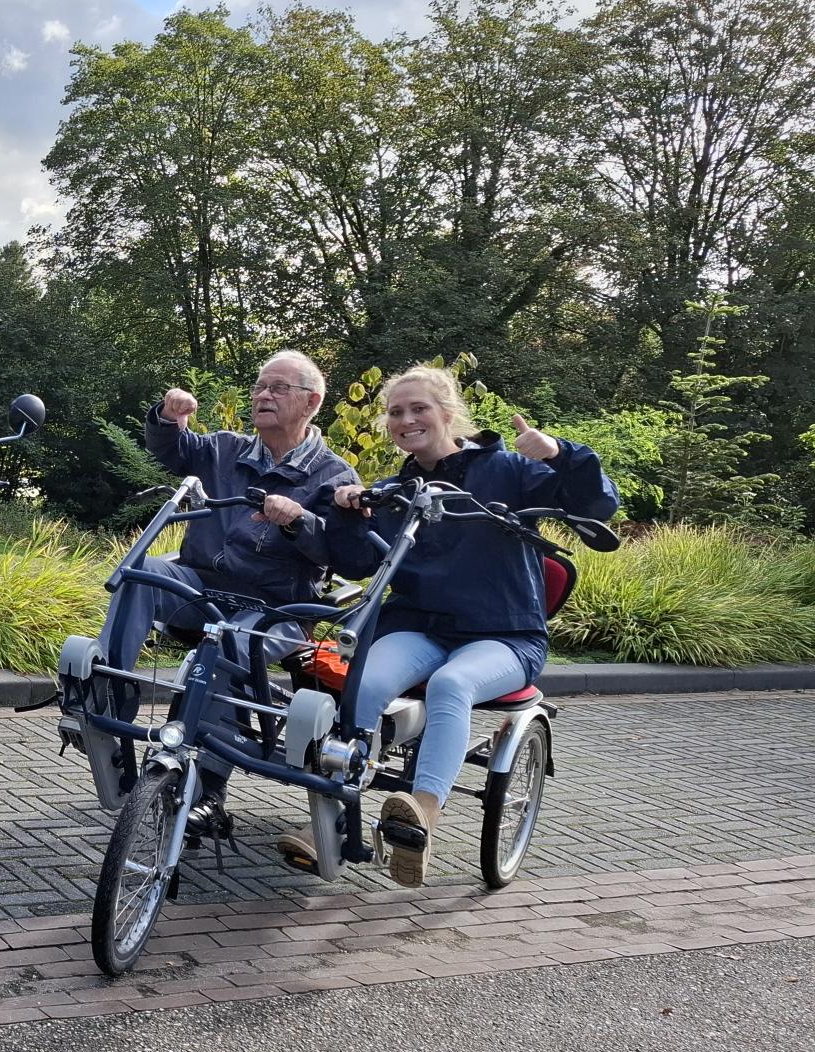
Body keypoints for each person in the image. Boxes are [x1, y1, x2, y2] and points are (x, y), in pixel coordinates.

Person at [309, 365, 619, 885]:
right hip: (424, 627)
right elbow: (360, 564)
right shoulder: (393, 491)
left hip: (505, 634)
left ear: (448, 413)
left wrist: (561, 455)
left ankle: (423, 813)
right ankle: (335, 820)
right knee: (365, 679)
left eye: (418, 408)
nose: (406, 419)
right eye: (395, 412)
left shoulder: (507, 471)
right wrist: (345, 514)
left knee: (453, 684)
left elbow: (596, 504)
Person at [103, 352, 358, 821]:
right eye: (260, 386)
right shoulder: (223, 447)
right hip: (203, 586)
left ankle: (208, 791)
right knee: (142, 572)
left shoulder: (335, 475)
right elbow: (172, 448)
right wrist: (167, 415)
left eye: (279, 388)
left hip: (281, 608)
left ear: (312, 402)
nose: (263, 395)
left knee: (228, 646)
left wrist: (300, 521)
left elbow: (345, 555)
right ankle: (112, 697)